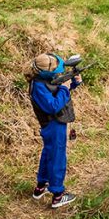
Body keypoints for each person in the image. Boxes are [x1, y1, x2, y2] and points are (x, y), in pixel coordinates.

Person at [28, 53, 81, 209]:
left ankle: (40, 187)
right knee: (57, 157)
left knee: (48, 153)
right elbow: (53, 106)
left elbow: (56, 90)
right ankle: (58, 195)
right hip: (53, 124)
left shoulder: (42, 80)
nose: (58, 71)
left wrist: (72, 83)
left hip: (52, 124)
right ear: (46, 71)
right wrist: (65, 89)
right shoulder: (38, 87)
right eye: (54, 68)